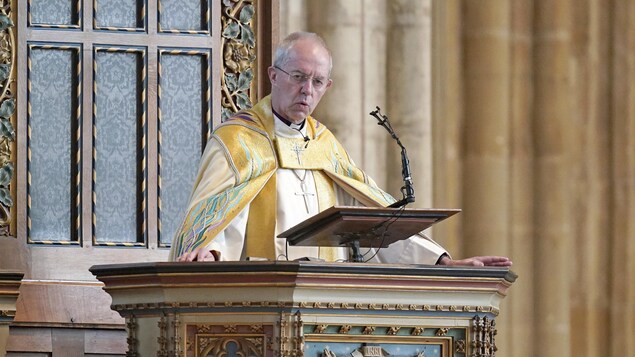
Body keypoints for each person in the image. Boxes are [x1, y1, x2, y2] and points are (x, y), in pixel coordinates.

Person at [170, 32, 512, 268]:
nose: (307, 90)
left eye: (317, 82)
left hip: (328, 300)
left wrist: (442, 261)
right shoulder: (238, 140)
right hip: (265, 301)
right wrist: (210, 250)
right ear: (273, 75)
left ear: (327, 86)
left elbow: (375, 221)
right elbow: (222, 219)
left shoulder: (325, 146)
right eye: (298, 77)